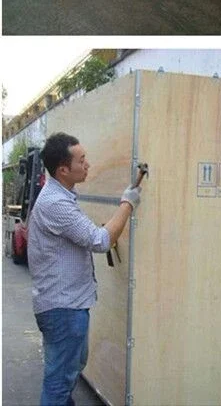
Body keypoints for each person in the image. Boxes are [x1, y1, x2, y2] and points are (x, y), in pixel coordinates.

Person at [28, 132, 142, 406]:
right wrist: (127, 203)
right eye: (81, 160)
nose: (87, 164)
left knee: (67, 372)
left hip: (67, 305)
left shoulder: (61, 196)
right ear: (63, 170)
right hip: (63, 309)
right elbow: (100, 241)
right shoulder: (56, 204)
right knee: (58, 384)